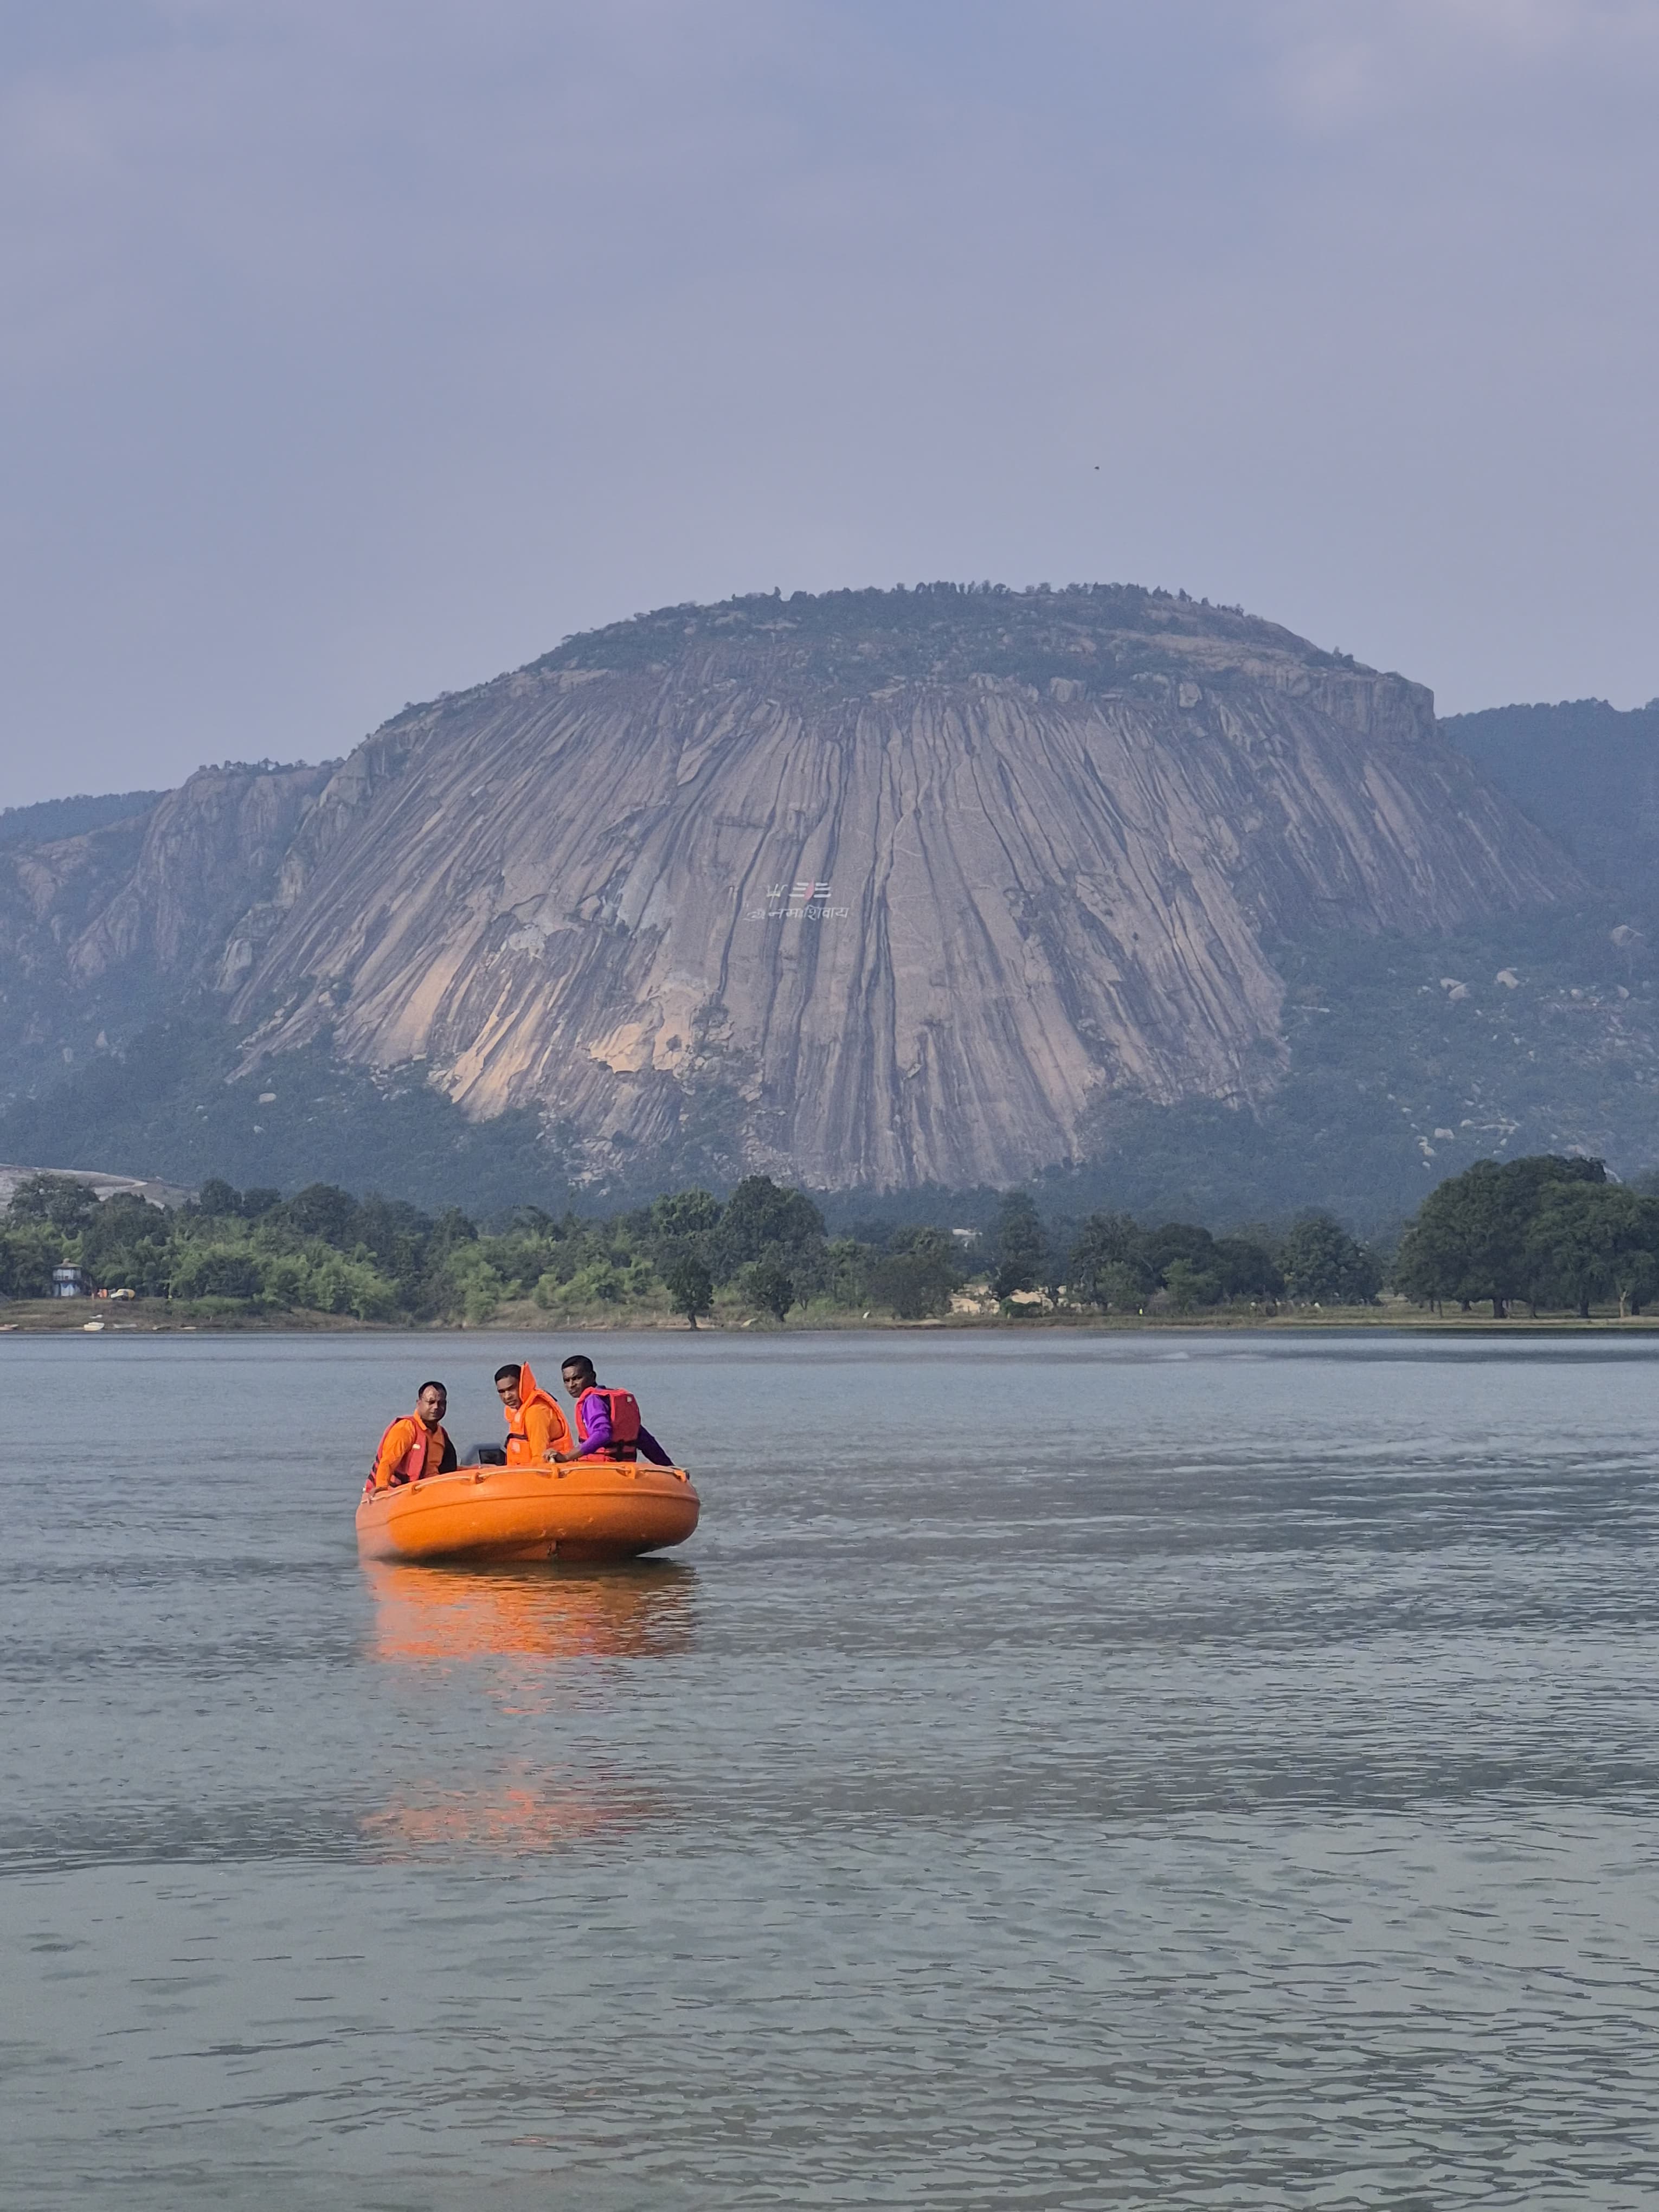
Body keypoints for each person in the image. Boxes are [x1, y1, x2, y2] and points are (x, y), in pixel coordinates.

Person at [555, 1354, 674, 1465]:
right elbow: (644, 1440)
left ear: (592, 1376)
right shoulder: (612, 1400)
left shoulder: (592, 1401)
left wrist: (567, 1457)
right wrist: (670, 1467)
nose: (571, 1385)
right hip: (625, 1470)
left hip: (601, 1470)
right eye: (567, 1380)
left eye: (577, 1378)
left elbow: (603, 1434)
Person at [470, 1359, 574, 1466]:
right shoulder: (519, 1411)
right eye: (502, 1392)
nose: (507, 1396)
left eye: (511, 1389)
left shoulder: (536, 1412)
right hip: (520, 1471)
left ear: (522, 1385)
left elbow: (540, 1458)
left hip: (544, 1473)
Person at [367, 1381, 457, 1493]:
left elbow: (450, 1470)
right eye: (431, 1402)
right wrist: (382, 1486)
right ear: (419, 1403)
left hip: (430, 1490)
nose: (436, 1407)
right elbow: (388, 1463)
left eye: (441, 1403)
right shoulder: (405, 1429)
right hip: (403, 1493)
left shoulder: (442, 1435)